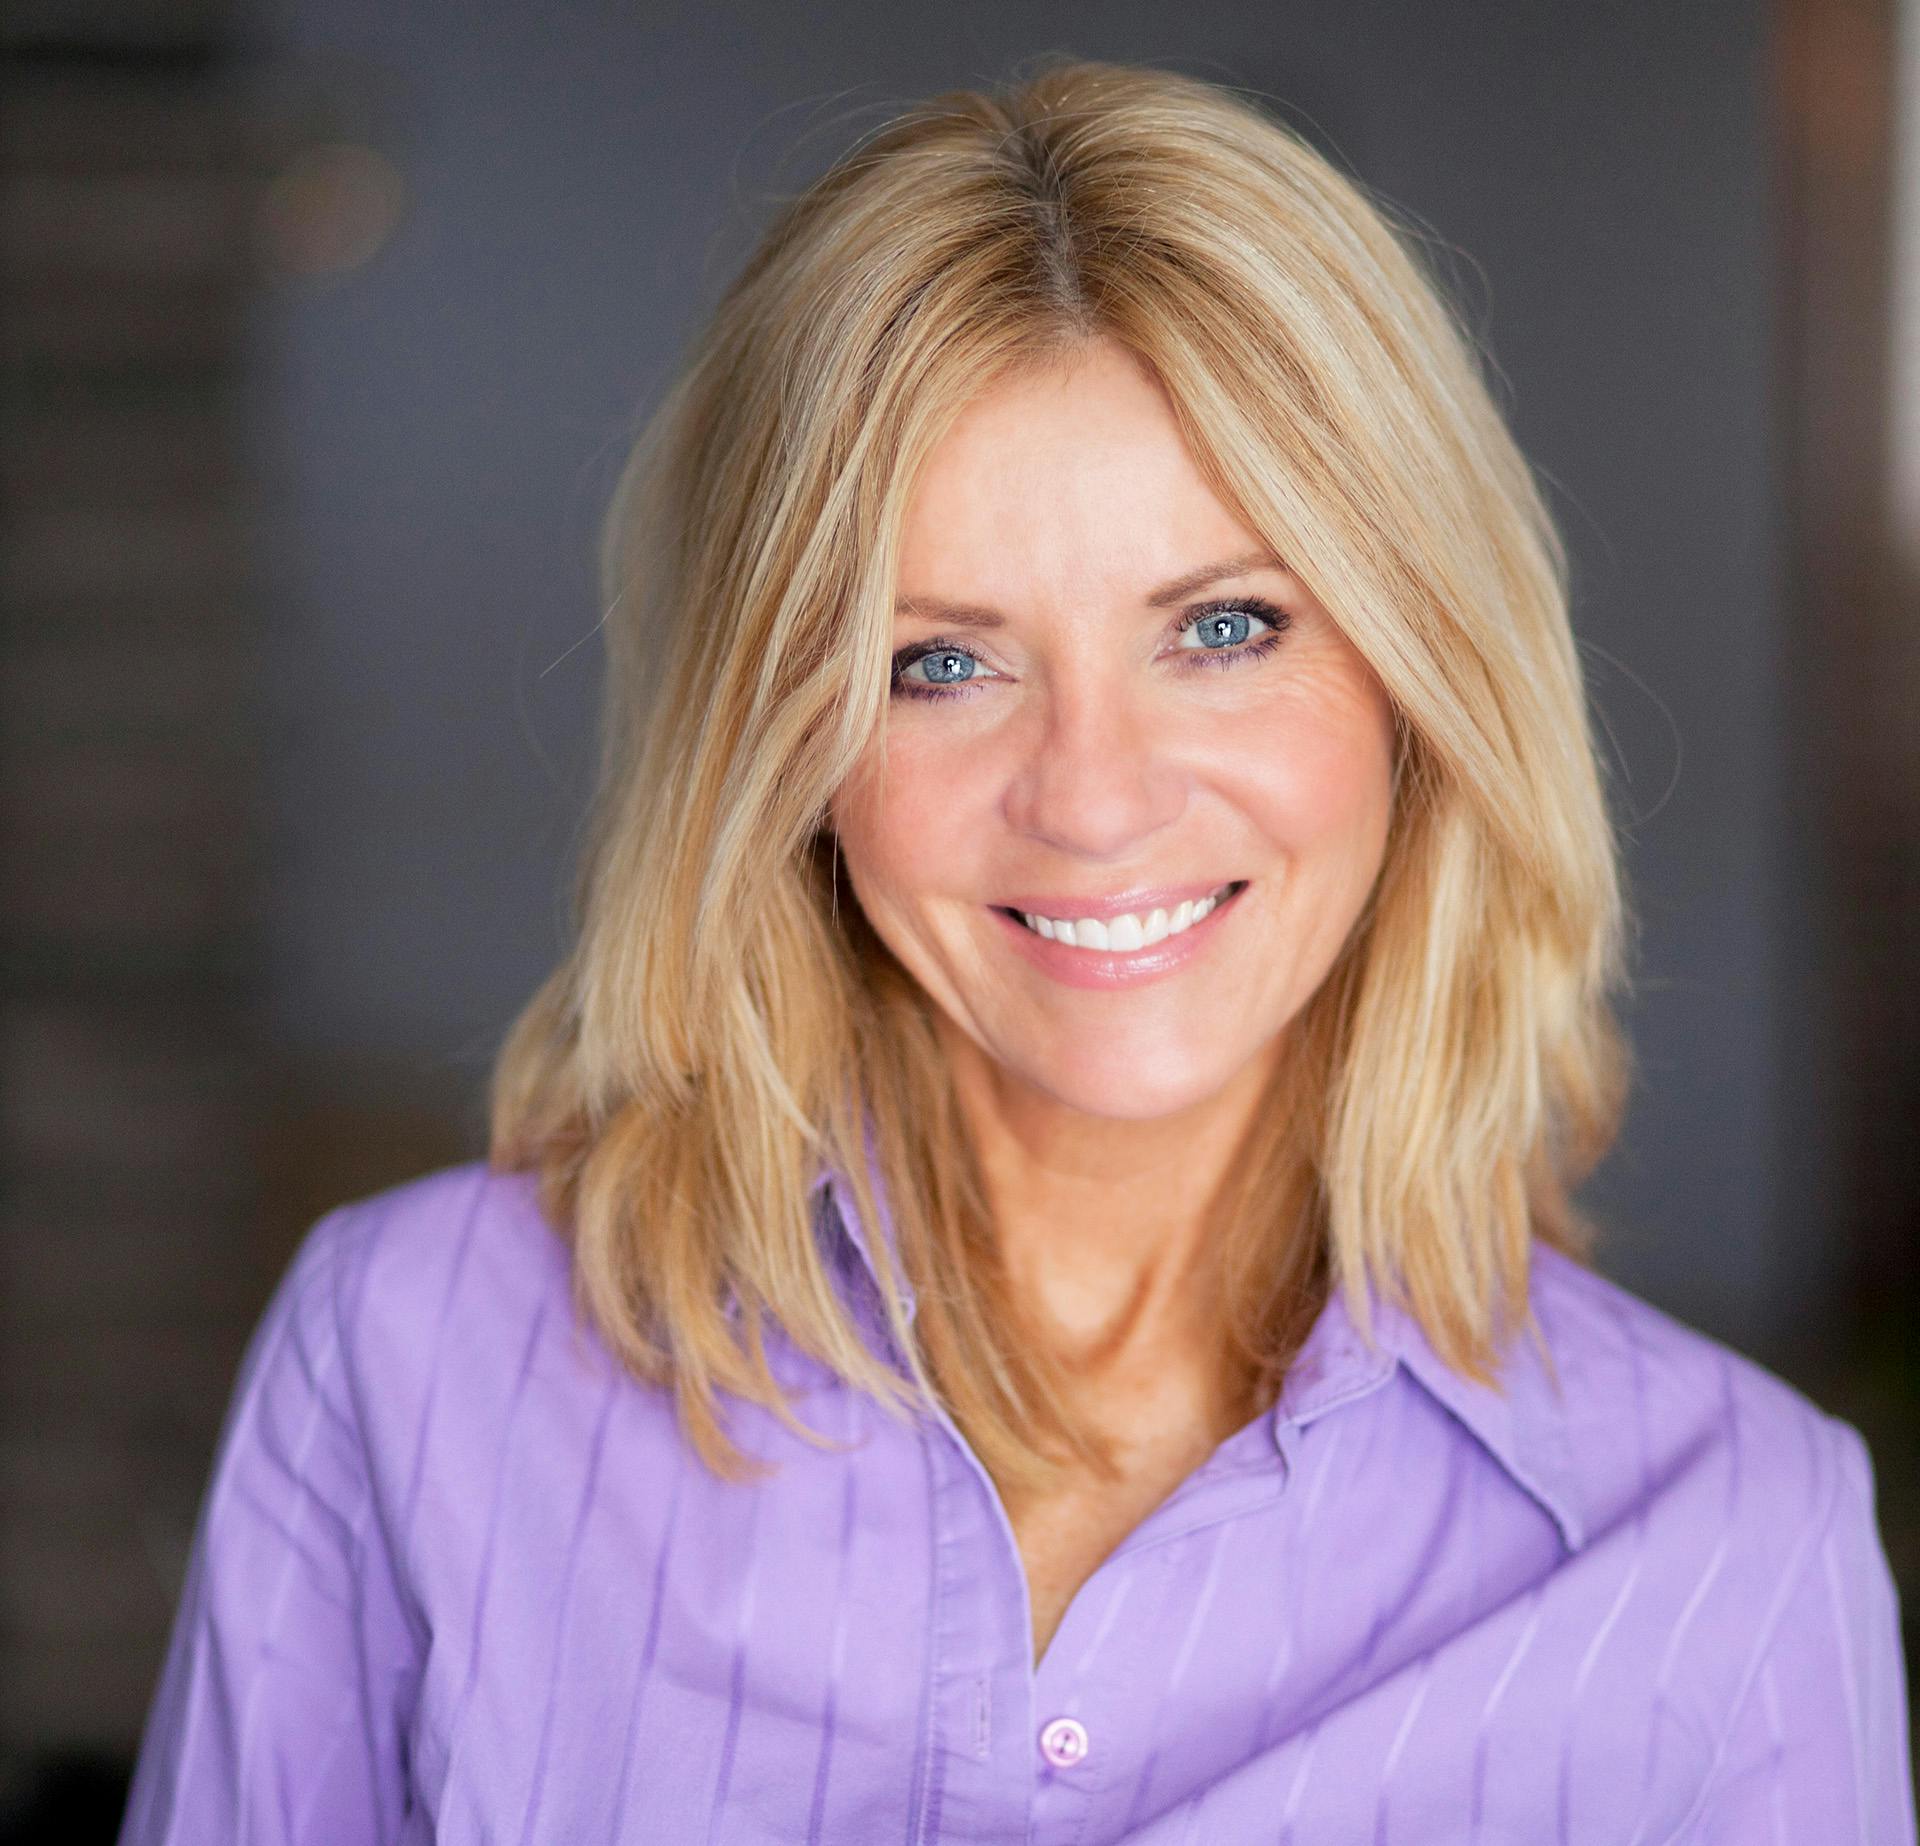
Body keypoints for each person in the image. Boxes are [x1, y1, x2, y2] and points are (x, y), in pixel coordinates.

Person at [118, 57, 1914, 1845]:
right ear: (784, 748)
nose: (1095, 798)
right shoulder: (410, 1365)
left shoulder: (1738, 1551)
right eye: (941, 662)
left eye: (1222, 625)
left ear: (1422, 680)